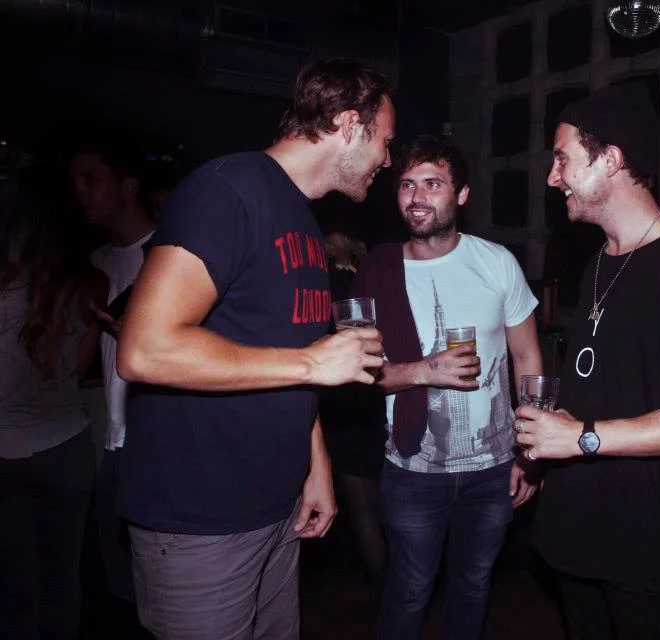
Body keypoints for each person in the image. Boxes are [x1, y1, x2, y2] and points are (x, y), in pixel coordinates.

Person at [114, 58, 393, 640]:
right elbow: (145, 348)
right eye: (385, 143)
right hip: (200, 519)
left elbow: (290, 358)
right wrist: (315, 360)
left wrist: (316, 466)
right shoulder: (229, 188)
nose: (387, 160)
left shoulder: (303, 219)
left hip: (276, 507)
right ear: (349, 126)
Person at [514, 85, 660, 640]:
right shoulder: (600, 260)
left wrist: (581, 438)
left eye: (562, 159)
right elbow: (600, 383)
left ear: (611, 160)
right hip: (576, 532)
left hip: (645, 546)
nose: (552, 177)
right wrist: (544, 450)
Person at [351, 134, 543, 640]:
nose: (417, 197)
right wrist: (423, 371)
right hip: (413, 470)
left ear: (461, 194)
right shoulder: (379, 269)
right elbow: (353, 374)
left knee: (473, 586)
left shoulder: (496, 262)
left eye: (432, 184)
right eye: (407, 184)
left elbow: (527, 357)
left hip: (493, 470)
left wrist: (531, 450)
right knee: (409, 591)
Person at [0, 165, 107, 639]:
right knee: (62, 581)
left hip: (6, 450)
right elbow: (77, 370)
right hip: (67, 445)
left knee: (16, 587)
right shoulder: (91, 282)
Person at [68, 135, 155, 622]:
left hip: (152, 443)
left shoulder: (168, 257)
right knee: (114, 582)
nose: (80, 192)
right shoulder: (93, 264)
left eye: (91, 179)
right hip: (106, 439)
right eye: (75, 181)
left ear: (127, 187)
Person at [318, 229, 387, 594]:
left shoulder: (330, 282)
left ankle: (386, 593)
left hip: (350, 402)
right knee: (375, 506)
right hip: (370, 401)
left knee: (364, 508)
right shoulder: (377, 273)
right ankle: (395, 592)